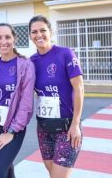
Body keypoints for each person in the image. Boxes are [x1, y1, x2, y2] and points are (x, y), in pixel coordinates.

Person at [28, 15, 84, 178]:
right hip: (44, 128)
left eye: (43, 30)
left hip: (67, 128)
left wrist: (76, 124)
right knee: (52, 173)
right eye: (34, 32)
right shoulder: (31, 62)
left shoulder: (65, 54)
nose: (39, 35)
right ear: (30, 36)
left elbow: (79, 88)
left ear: (50, 32)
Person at [0, 23, 35, 178]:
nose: (3, 41)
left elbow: (26, 104)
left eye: (7, 37)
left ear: (14, 38)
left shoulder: (25, 65)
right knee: (7, 169)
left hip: (13, 128)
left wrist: (11, 131)